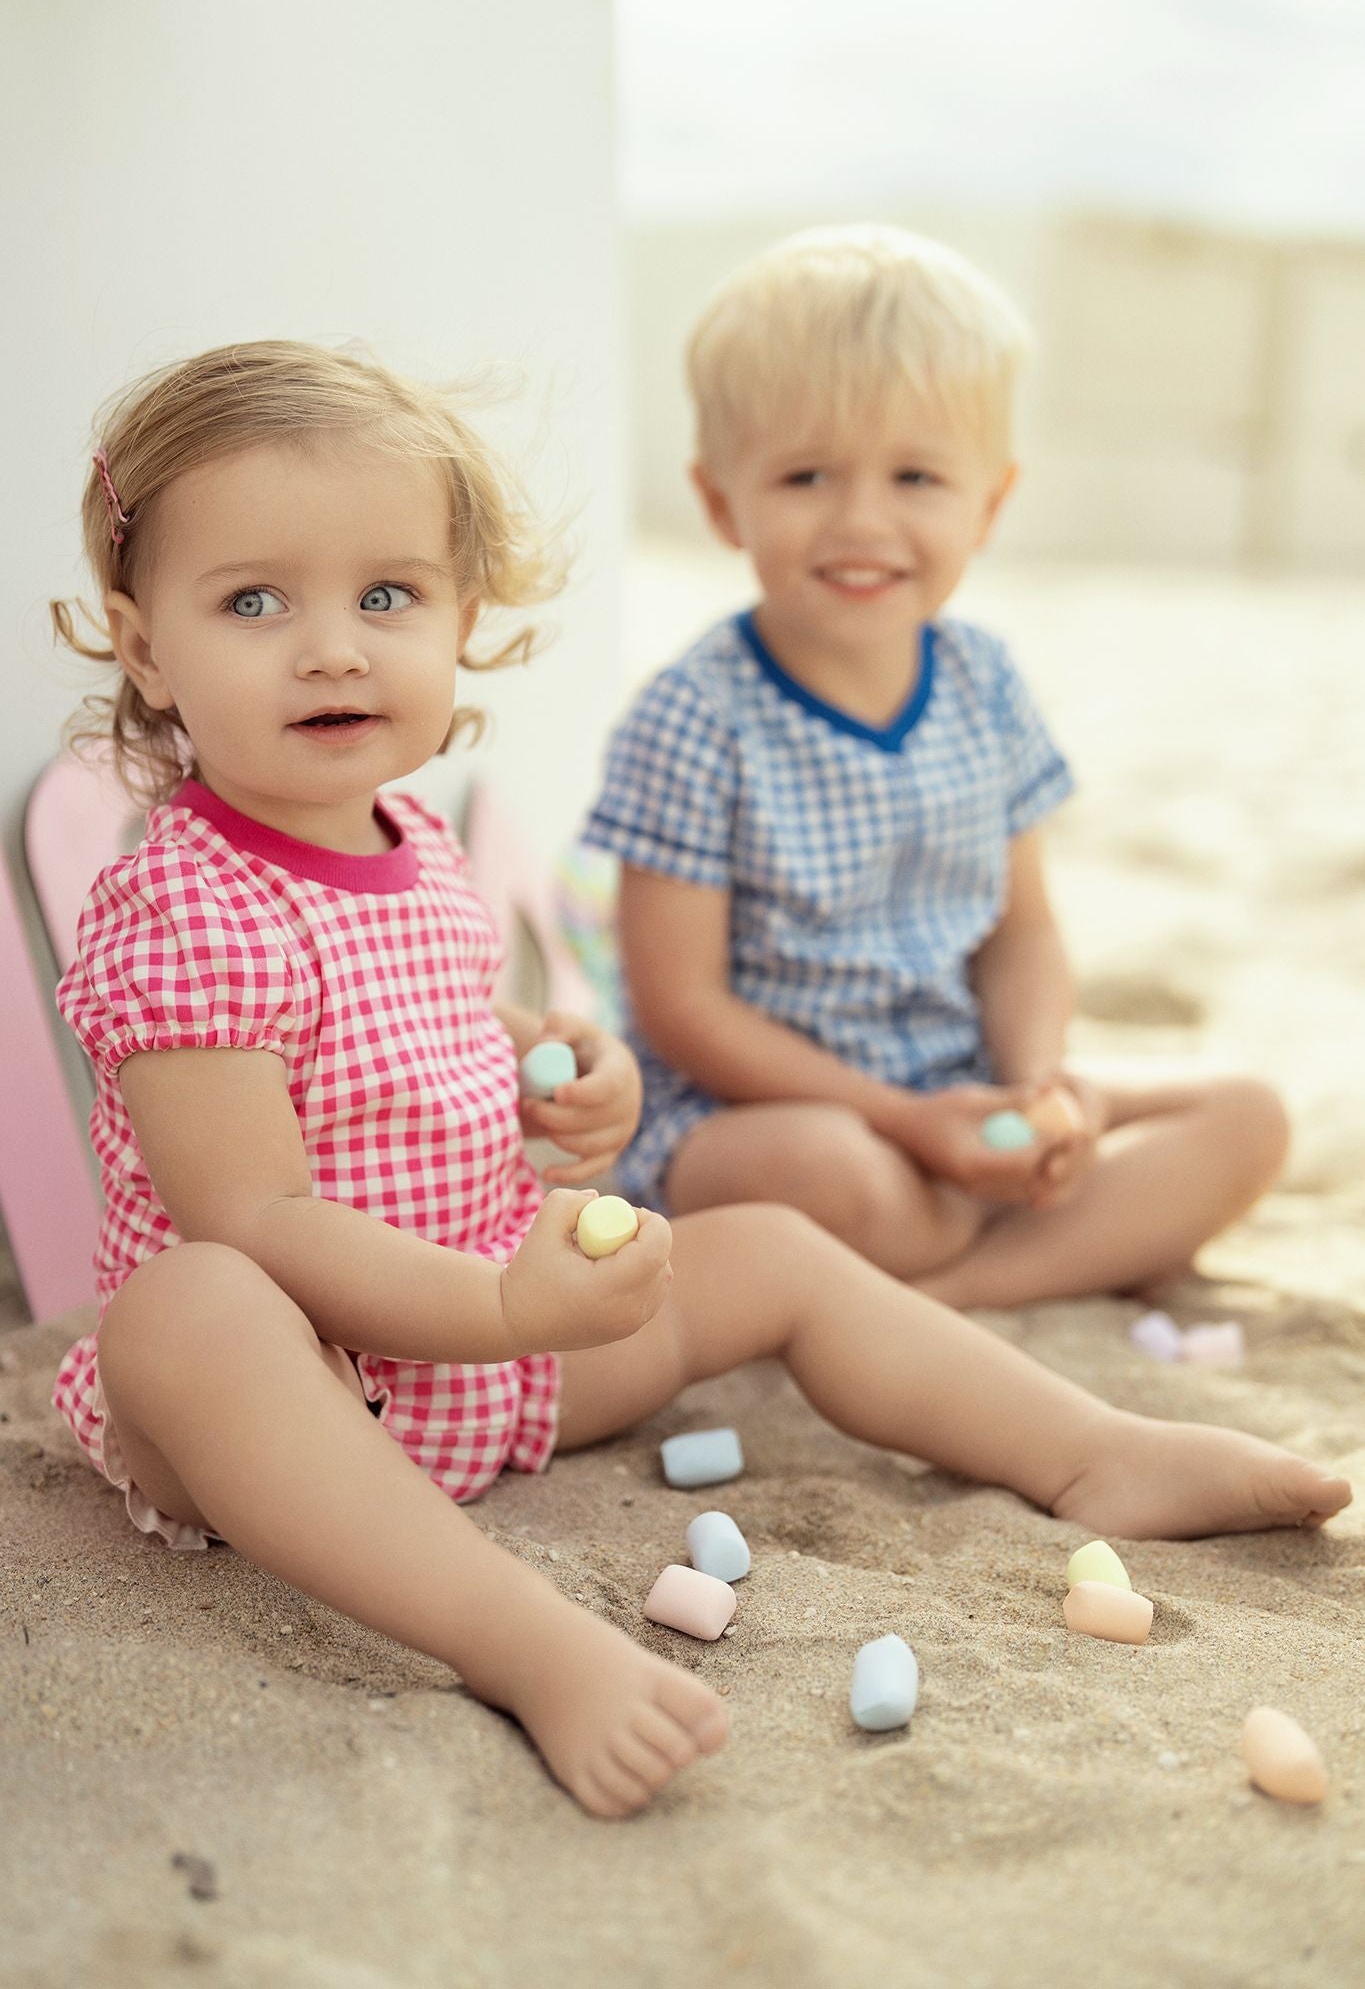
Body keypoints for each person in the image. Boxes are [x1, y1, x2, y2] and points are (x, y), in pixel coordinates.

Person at [48, 341, 1347, 1822]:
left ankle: (1095, 1452)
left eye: (388, 595)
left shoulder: (410, 836)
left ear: (465, 615)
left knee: (775, 1253)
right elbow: (261, 1217)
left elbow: (426, 1022)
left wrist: (561, 1060)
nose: (334, 648)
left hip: (498, 1362)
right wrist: (501, 1305)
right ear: (145, 648)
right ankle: (528, 1645)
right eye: (254, 603)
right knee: (191, 1308)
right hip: (300, 1407)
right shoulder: (186, 909)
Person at [583, 225, 1291, 1310]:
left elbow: (1020, 931)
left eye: (916, 476)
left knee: (1245, 1116)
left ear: (988, 504)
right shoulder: (694, 715)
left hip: (957, 1089)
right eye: (806, 475)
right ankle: (998, 1253)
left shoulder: (983, 679)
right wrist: (903, 1122)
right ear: (722, 501)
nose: (863, 520)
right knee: (842, 1179)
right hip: (772, 1115)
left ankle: (951, 1290)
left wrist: (1036, 1082)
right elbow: (684, 1008)